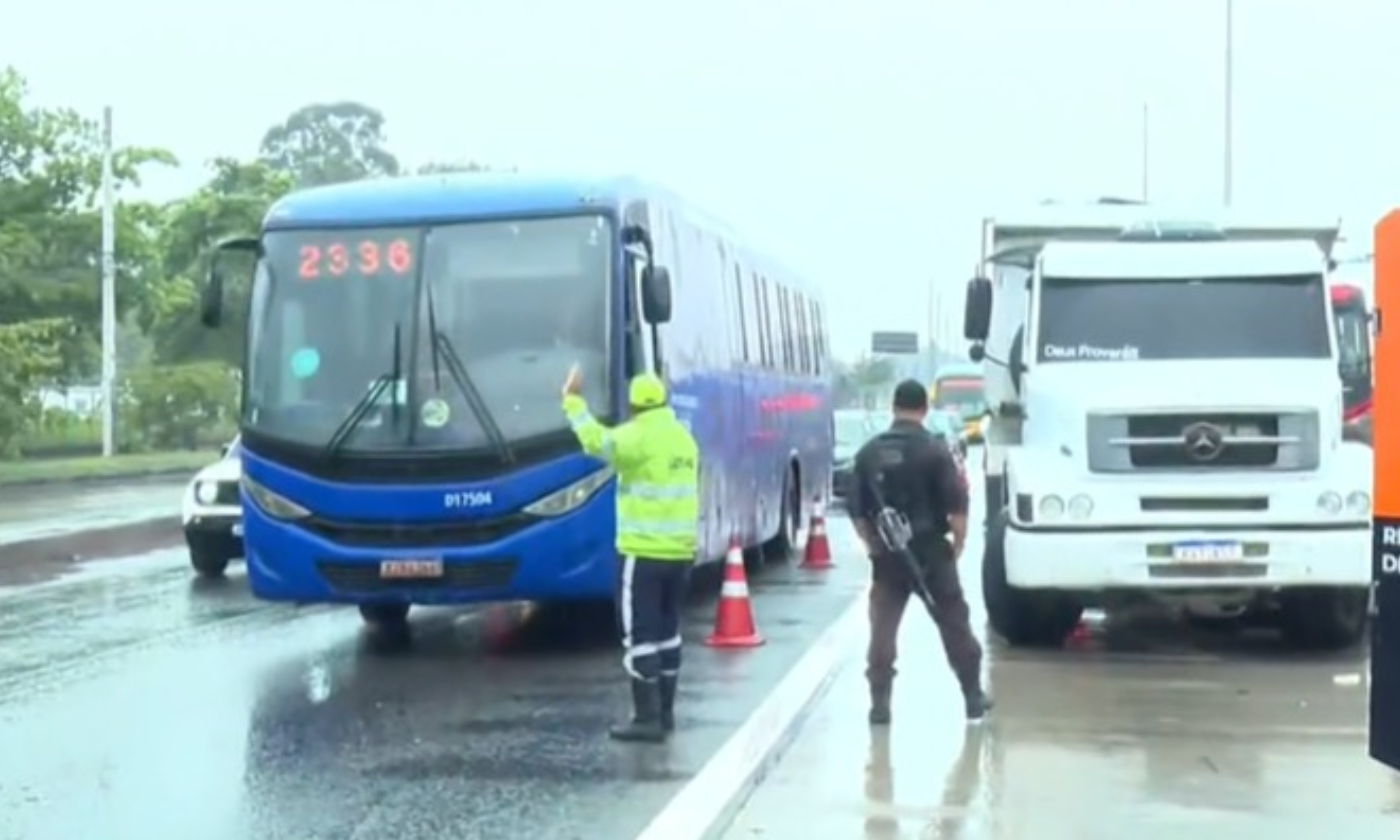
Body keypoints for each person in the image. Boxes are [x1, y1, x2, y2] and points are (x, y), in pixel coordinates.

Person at [561, 364, 699, 742]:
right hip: (680, 552)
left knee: (639, 634)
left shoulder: (636, 437)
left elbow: (594, 442)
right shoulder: (684, 439)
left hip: (642, 551)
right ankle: (666, 713)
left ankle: (646, 718)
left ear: (635, 405)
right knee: (669, 630)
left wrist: (572, 401)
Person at [849, 379, 991, 725]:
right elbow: (957, 507)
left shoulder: (868, 453)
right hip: (930, 554)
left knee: (882, 630)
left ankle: (879, 705)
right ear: (924, 409)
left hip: (888, 558)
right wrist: (957, 544)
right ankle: (972, 696)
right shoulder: (935, 450)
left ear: (893, 407)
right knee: (954, 623)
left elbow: (856, 511)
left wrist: (874, 546)